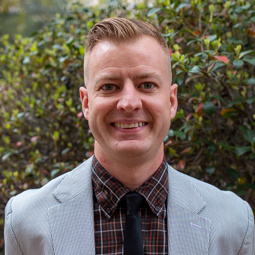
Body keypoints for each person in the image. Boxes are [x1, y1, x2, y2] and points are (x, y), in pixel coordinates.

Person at [4, 17, 254, 255]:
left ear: (171, 101)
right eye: (109, 86)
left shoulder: (233, 223)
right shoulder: (27, 222)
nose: (129, 103)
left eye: (147, 84)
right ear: (86, 103)